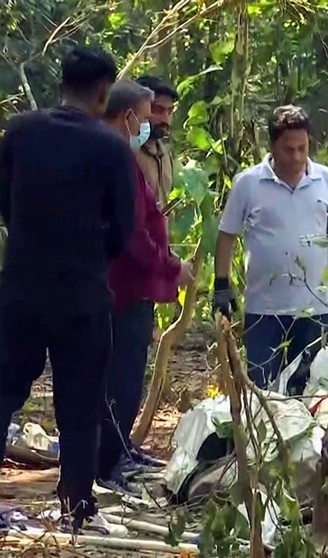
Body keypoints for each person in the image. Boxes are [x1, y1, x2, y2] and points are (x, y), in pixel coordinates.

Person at [0, 45, 135, 530]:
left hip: (21, 290)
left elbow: (4, 203)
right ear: (103, 92)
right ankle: (76, 507)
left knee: (3, 393)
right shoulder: (111, 147)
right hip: (82, 295)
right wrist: (89, 251)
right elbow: (123, 229)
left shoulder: (20, 132)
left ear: (62, 84)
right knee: (79, 406)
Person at [96, 80, 194, 497]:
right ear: (129, 117)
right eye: (150, 113)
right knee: (119, 377)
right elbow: (133, 233)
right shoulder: (119, 158)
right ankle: (105, 464)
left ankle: (119, 451)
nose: (156, 121)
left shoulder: (139, 156)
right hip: (122, 284)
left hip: (138, 284)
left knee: (128, 372)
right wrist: (171, 267)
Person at [214, 105, 328, 392]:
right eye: (289, 149)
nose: (296, 157)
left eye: (302, 148)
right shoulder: (248, 183)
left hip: (314, 308)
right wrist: (221, 286)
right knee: (262, 391)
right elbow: (226, 236)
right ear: (272, 145)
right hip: (264, 310)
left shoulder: (326, 180)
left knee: (313, 390)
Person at [135, 75, 178, 209]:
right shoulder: (127, 151)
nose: (166, 119)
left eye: (170, 111)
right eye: (158, 110)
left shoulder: (165, 154)